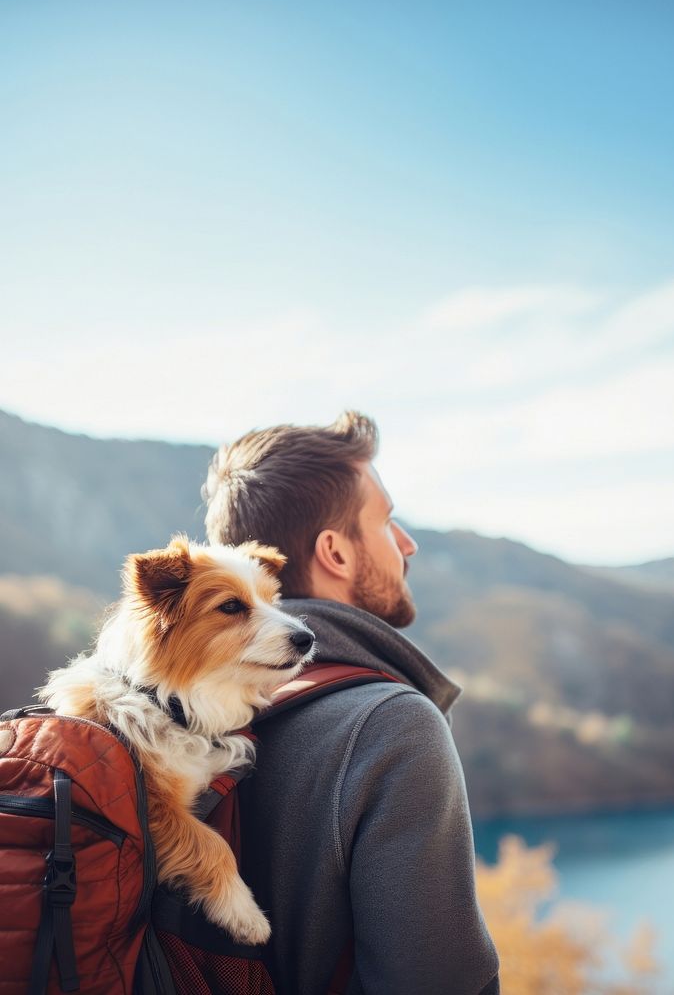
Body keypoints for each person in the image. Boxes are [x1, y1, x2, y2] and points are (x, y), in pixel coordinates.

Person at [201, 411, 500, 995]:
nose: (407, 543)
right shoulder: (389, 725)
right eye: (388, 521)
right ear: (335, 552)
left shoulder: (172, 718)